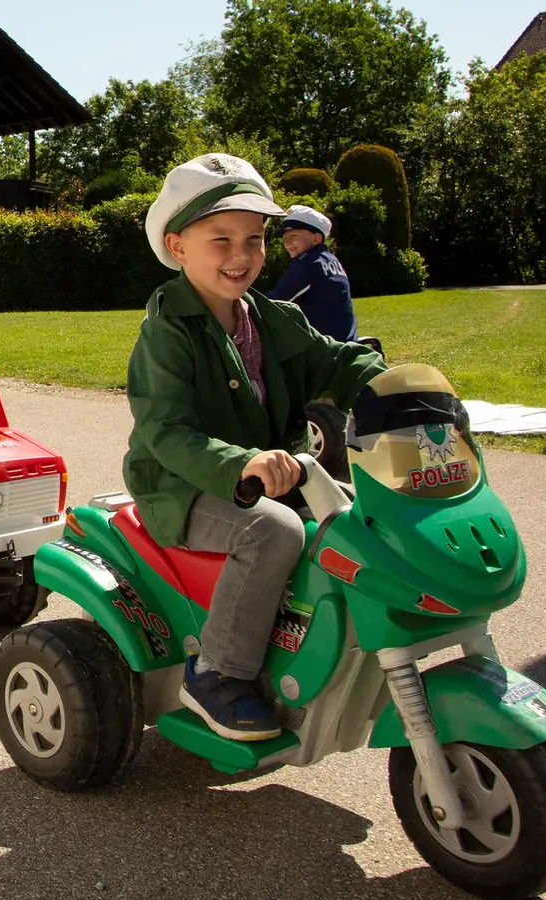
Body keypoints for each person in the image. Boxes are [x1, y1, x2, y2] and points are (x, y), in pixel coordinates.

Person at [126, 156, 386, 741]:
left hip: (275, 476)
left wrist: (396, 387)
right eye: (221, 239)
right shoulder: (169, 329)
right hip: (183, 485)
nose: (241, 255)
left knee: (362, 519)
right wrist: (239, 462)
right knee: (273, 532)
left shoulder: (272, 317)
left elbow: (337, 359)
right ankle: (218, 672)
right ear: (178, 245)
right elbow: (164, 429)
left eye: (255, 239)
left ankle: (333, 647)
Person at [267, 205, 356, 342]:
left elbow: (275, 300)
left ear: (316, 238)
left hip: (325, 347)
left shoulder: (307, 262)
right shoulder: (331, 260)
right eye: (285, 238)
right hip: (348, 341)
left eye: (293, 236)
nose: (287, 242)